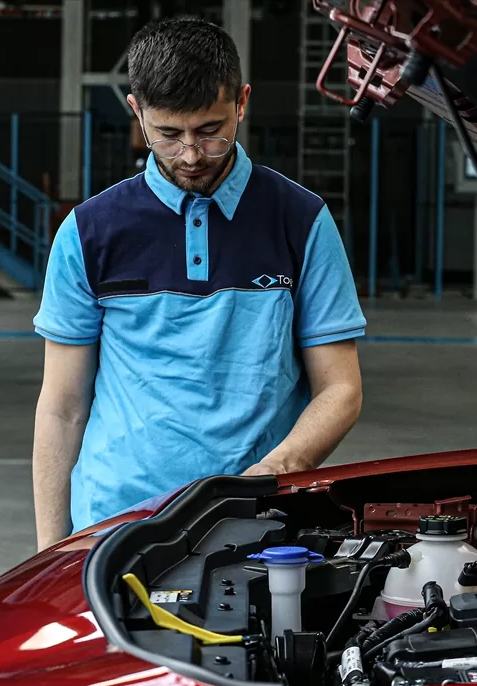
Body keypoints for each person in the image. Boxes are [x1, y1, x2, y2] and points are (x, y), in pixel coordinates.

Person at [30, 15, 366, 550]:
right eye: (168, 134)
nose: (190, 155)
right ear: (137, 111)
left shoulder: (300, 221)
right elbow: (63, 406)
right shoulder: (89, 232)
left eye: (210, 131)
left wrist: (279, 467)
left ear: (242, 102)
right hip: (115, 524)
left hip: (260, 521)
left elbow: (340, 387)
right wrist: (50, 552)